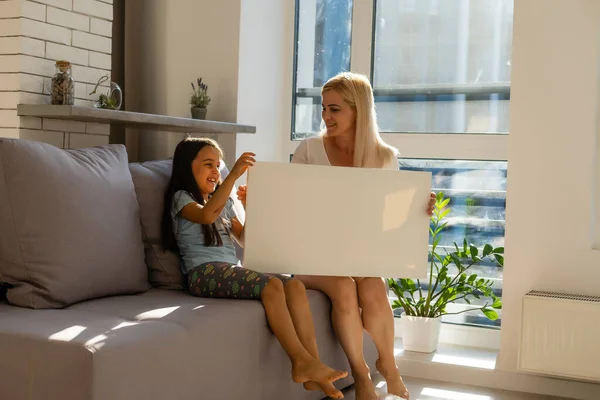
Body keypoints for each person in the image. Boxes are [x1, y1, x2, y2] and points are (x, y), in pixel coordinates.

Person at [237, 72, 436, 400]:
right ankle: (361, 376)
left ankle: (388, 364)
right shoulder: (310, 149)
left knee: (373, 285)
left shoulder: (384, 156)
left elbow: (390, 218)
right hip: (310, 255)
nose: (326, 116)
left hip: (355, 252)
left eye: (335, 109)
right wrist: (258, 201)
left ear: (358, 110)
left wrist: (418, 208)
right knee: (344, 286)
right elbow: (289, 204)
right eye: (323, 109)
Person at [161, 137, 348, 399]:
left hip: (226, 269)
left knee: (294, 285)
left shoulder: (222, 202)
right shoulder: (182, 199)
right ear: (186, 167)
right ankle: (299, 361)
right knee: (271, 285)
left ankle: (312, 366)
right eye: (208, 164)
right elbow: (206, 215)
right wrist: (233, 174)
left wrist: (249, 207)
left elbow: (246, 239)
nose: (216, 171)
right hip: (203, 273)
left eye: (219, 165)